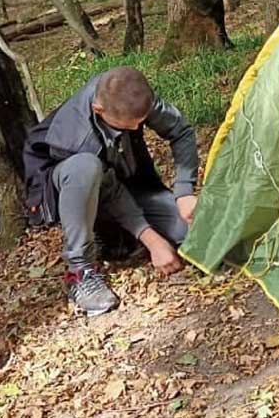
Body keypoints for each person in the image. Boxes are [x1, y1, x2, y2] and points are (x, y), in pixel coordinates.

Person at [23, 66, 199, 316]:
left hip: (124, 181)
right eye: (130, 126)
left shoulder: (129, 92)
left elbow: (180, 130)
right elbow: (109, 191)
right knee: (86, 168)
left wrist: (184, 191)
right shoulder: (76, 135)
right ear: (99, 111)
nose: (138, 128)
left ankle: (123, 237)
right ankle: (80, 272)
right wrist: (153, 240)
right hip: (77, 189)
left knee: (192, 231)